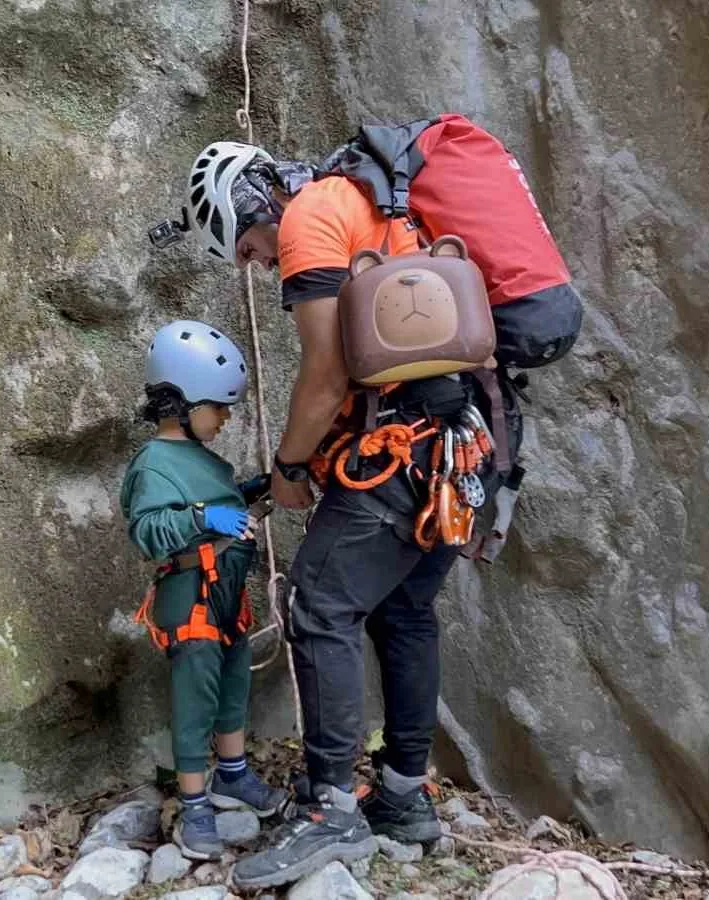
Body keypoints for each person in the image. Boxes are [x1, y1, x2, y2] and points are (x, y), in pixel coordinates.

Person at [152, 121, 581, 890]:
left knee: (318, 605)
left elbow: (327, 374)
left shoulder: (315, 213)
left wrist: (288, 468)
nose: (256, 264)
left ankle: (331, 811)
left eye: (246, 246)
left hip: (408, 449)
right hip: (472, 441)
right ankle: (403, 798)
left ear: (251, 203)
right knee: (404, 609)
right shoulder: (378, 206)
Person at [119, 319, 290, 861]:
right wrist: (202, 515)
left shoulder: (206, 460)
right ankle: (195, 804)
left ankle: (233, 776)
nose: (227, 417)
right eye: (219, 406)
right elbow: (148, 531)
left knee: (234, 683)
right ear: (182, 405)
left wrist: (248, 493)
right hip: (190, 596)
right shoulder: (153, 464)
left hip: (228, 596)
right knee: (195, 698)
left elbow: (221, 504)